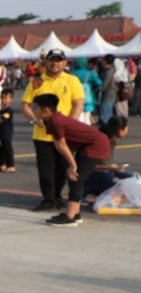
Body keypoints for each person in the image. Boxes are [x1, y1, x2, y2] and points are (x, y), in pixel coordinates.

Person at [31, 93, 110, 227]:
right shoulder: (52, 120)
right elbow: (67, 142)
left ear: (46, 110)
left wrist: (72, 165)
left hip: (96, 146)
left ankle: (70, 216)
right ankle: (75, 213)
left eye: (36, 108)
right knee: (74, 177)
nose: (34, 111)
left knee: (76, 178)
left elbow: (61, 144)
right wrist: (72, 164)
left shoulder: (56, 121)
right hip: (86, 146)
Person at [21, 49, 85, 211]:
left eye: (59, 60)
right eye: (52, 60)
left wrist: (69, 123)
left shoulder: (72, 81)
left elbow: (78, 103)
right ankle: (48, 199)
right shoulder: (37, 82)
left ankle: (57, 196)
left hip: (64, 134)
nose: (55, 63)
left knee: (62, 168)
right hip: (43, 134)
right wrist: (35, 120)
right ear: (45, 62)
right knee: (45, 170)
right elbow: (25, 105)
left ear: (64, 63)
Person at [84, 116, 132, 200]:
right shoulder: (100, 141)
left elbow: (106, 162)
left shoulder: (113, 140)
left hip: (104, 172)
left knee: (131, 177)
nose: (127, 131)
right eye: (126, 128)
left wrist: (112, 167)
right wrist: (110, 168)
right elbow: (88, 166)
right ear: (120, 130)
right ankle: (84, 191)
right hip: (89, 174)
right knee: (113, 183)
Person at [71, 57, 101, 124]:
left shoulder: (71, 73)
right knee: (87, 116)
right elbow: (99, 83)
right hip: (88, 97)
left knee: (79, 115)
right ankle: (87, 131)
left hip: (75, 97)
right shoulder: (90, 73)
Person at [0, 89, 15, 173]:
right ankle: (2, 165)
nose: (3, 100)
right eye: (2, 98)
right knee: (0, 149)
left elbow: (2, 120)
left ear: (11, 99)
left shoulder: (9, 111)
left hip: (6, 134)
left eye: (5, 98)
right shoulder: (1, 110)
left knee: (7, 149)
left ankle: (11, 165)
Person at [98, 54, 116, 124]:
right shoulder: (110, 70)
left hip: (107, 95)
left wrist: (100, 91)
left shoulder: (109, 71)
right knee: (108, 113)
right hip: (109, 94)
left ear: (105, 61)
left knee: (105, 114)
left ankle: (107, 131)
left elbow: (104, 84)